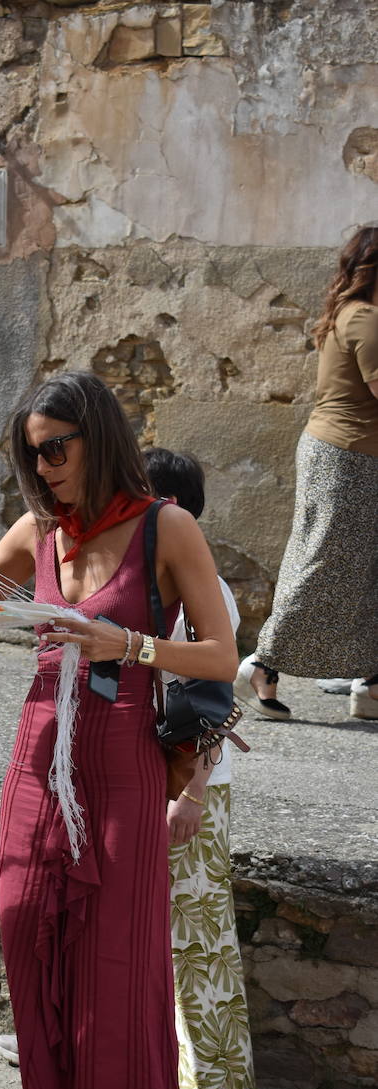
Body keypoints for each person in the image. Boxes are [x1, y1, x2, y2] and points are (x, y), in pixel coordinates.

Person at [0, 371, 238, 1089]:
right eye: (31, 453)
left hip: (124, 756)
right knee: (28, 941)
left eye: (58, 447)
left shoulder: (165, 525)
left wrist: (128, 643)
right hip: (37, 749)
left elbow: (222, 654)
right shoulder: (38, 532)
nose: (44, 467)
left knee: (121, 968)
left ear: (98, 436)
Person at [143, 446, 256, 1089]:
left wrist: (192, 793)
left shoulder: (204, 587)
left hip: (191, 781)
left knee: (197, 931)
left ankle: (210, 1080)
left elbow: (212, 699)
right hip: (158, 774)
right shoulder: (161, 578)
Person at [235, 225, 378, 722]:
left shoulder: (352, 314)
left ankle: (371, 684)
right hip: (347, 457)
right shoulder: (365, 319)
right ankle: (261, 662)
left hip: (352, 456)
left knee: (366, 570)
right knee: (324, 562)